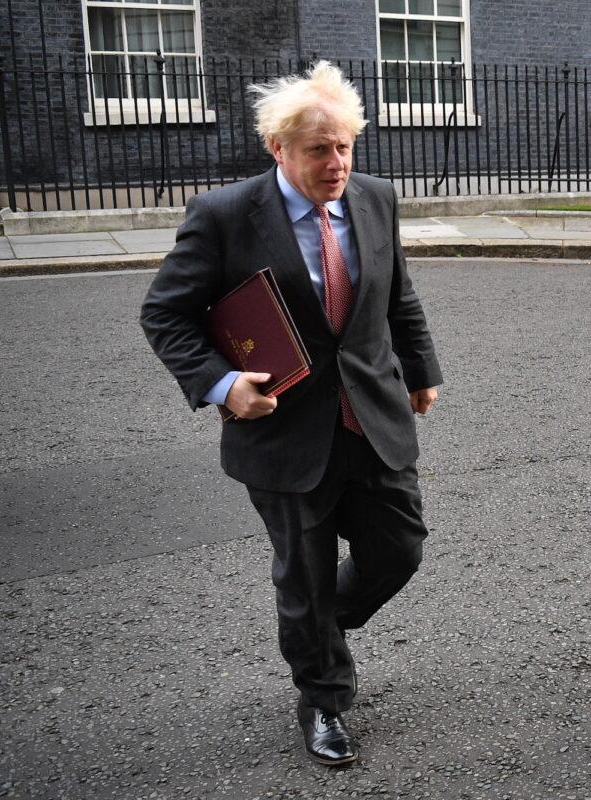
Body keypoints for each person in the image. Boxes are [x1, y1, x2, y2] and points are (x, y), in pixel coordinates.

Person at [141, 61, 442, 767]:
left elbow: (399, 295)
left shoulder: (375, 198)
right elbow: (165, 313)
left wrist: (421, 371)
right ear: (279, 150)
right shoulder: (223, 216)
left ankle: (315, 634)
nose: (336, 163)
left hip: (371, 417)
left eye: (343, 147)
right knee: (303, 574)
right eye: (318, 150)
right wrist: (221, 386)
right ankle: (325, 697)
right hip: (282, 430)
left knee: (399, 550)